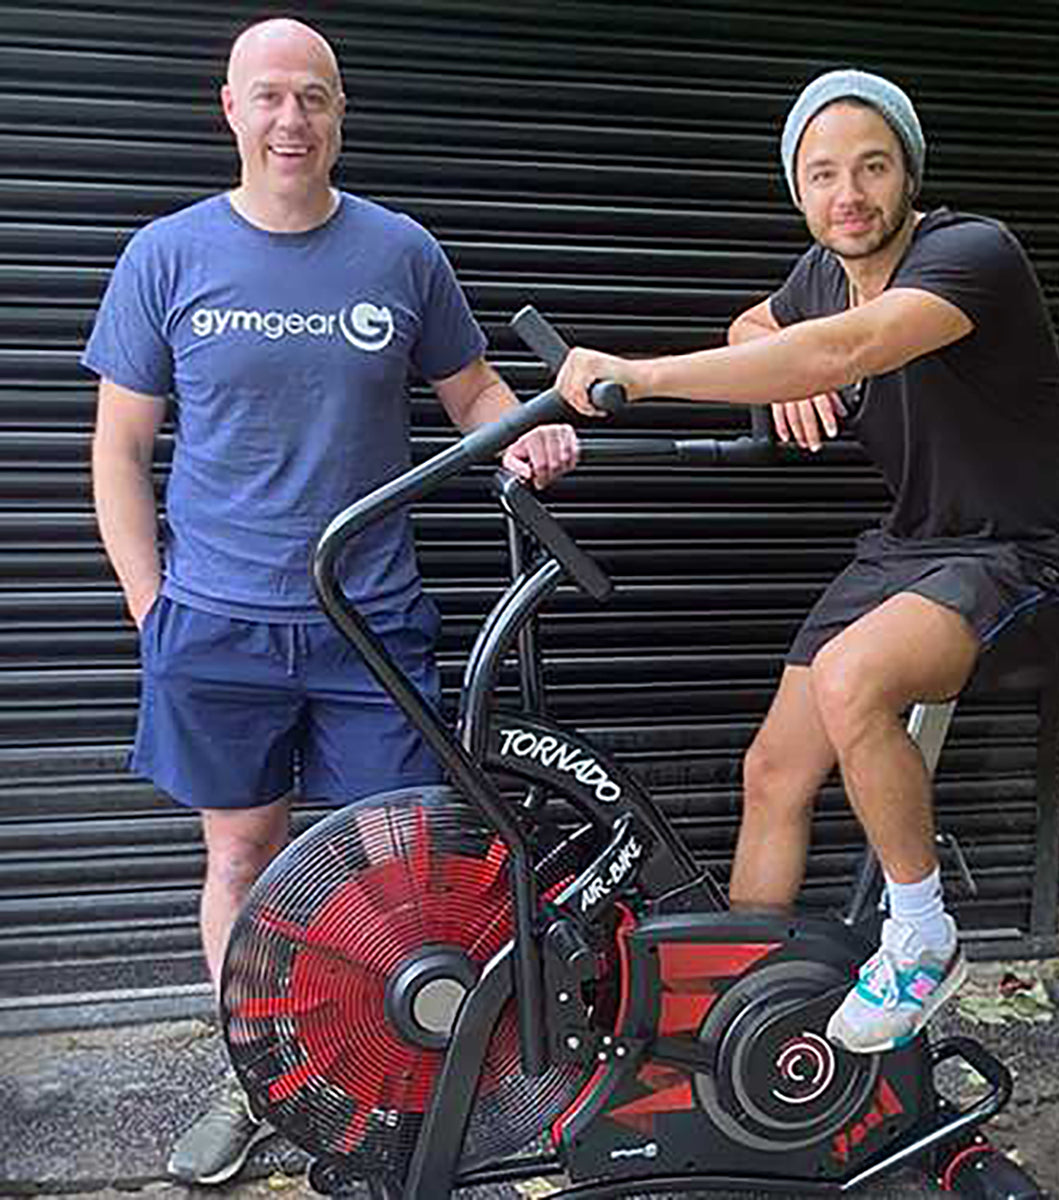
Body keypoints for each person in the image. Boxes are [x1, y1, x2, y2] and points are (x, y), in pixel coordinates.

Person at [83, 17, 577, 1185]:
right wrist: (152, 608)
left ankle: (386, 1092)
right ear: (231, 110)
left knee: (391, 876)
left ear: (340, 113)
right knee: (244, 861)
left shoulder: (400, 254)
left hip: (372, 621)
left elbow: (477, 392)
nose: (291, 119)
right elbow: (117, 448)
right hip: (219, 623)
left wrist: (529, 435)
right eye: (269, 97)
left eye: (313, 97)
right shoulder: (166, 255)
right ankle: (253, 1083)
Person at [555, 69, 1059, 1056]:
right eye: (823, 175)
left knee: (853, 679)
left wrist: (642, 374)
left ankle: (925, 939)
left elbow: (846, 351)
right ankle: (734, 1012)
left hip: (1024, 556)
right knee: (774, 770)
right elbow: (763, 329)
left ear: (909, 175)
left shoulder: (970, 252)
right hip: (912, 550)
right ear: (799, 193)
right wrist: (779, 356)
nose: (849, 194)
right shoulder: (822, 271)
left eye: (872, 168)